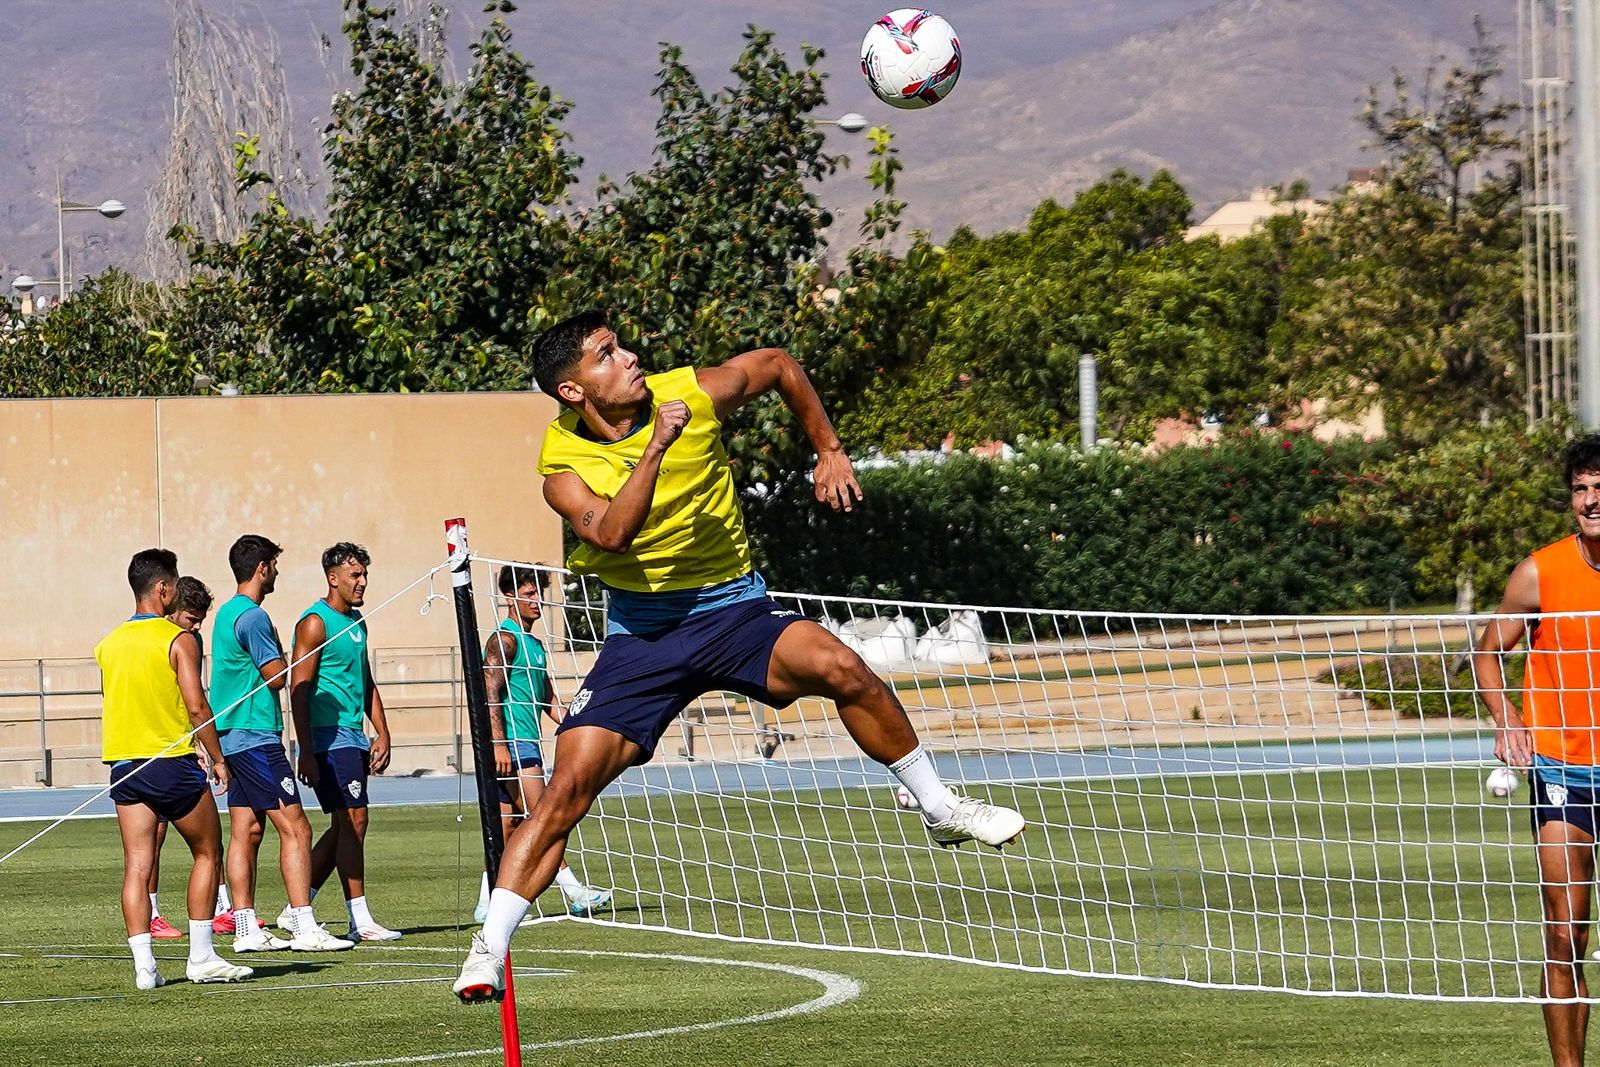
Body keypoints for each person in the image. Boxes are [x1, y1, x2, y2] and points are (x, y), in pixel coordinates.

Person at [454, 311, 1025, 1001]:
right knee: (563, 795)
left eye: (623, 344)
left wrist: (830, 449)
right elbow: (611, 534)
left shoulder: (688, 391)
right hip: (644, 638)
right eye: (607, 355)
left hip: (734, 611)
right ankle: (488, 952)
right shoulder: (563, 467)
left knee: (845, 668)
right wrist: (658, 447)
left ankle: (937, 806)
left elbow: (780, 363)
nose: (631, 356)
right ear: (573, 391)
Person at [1475, 433, 1600, 1067]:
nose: (1590, 500)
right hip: (1564, 771)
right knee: (1564, 930)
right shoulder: (1539, 571)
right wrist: (1508, 717)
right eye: (1580, 489)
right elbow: (1487, 651)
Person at [95, 549, 252, 989]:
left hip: (126, 767)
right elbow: (196, 704)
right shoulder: (177, 639)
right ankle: (201, 957)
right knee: (208, 852)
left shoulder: (108, 643)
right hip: (170, 764)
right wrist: (218, 758)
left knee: (137, 867)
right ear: (162, 588)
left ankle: (145, 967)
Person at [213, 535, 353, 953]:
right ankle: (304, 924)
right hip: (255, 736)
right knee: (297, 828)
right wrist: (298, 652)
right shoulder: (252, 617)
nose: (276, 572)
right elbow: (278, 677)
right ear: (261, 568)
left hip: (234, 736)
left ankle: (245, 927)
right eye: (274, 565)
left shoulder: (226, 614)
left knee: (247, 829)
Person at [472, 564, 611, 923]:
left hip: (527, 741)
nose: (537, 601)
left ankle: (486, 901)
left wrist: (581, 721)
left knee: (507, 826)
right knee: (547, 816)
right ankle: (573, 889)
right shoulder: (505, 640)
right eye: (529, 594)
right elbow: (489, 690)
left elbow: (547, 698)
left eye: (539, 594)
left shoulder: (533, 644)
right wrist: (498, 745)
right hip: (514, 744)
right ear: (509, 596)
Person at [287, 542, 401, 942]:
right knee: (353, 821)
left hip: (353, 736)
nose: (362, 582)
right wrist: (304, 748)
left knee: (349, 823)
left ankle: (297, 906)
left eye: (364, 574)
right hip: (325, 739)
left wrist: (382, 731)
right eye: (355, 575)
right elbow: (298, 687)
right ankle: (359, 919)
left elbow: (365, 680)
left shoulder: (358, 622)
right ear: (333, 578)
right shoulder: (314, 623)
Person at [148, 577, 226, 940]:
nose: (196, 627)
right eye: (191, 618)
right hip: (157, 752)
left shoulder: (188, 641)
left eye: (200, 621)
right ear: (172, 608)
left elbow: (188, 700)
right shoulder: (157, 639)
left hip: (181, 750)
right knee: (154, 839)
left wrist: (197, 745)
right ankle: (152, 913)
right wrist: (217, 756)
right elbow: (194, 706)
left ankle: (224, 907)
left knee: (209, 842)